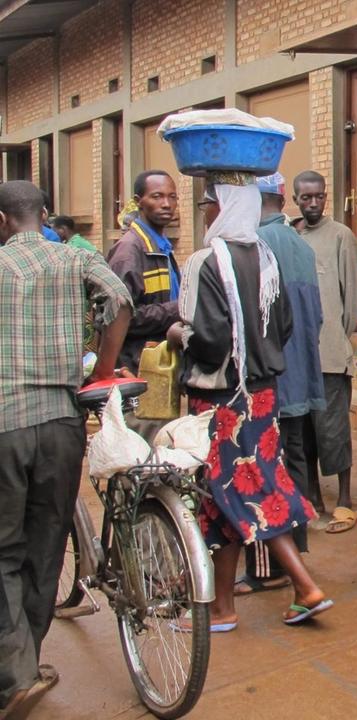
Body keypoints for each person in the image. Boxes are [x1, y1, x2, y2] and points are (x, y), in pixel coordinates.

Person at [167, 175, 331, 631]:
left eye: (206, 203)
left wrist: (179, 334)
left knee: (236, 490)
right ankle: (223, 606)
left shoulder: (205, 261)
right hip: (261, 396)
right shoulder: (266, 257)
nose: (202, 211)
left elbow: (210, 338)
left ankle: (303, 585)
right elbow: (283, 328)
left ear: (222, 208)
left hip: (221, 399)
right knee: (242, 491)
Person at [0, 180, 133, 718]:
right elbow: (120, 301)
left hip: (5, 423)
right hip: (62, 421)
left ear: (3, 221)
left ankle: (16, 673)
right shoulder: (74, 258)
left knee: (4, 552)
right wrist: (103, 368)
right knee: (46, 544)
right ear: (44, 215)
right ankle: (24, 665)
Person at [232, 173, 327, 597]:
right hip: (303, 373)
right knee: (297, 458)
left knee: (267, 469)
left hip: (272, 378)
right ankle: (299, 553)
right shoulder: (301, 246)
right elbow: (317, 317)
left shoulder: (254, 247)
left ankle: (270, 568)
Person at [292, 170, 357, 533]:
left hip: (331, 351)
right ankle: (312, 496)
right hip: (297, 356)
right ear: (296, 200)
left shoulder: (341, 236)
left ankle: (345, 497)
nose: (314, 203)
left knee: (333, 427)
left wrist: (338, 333)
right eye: (306, 198)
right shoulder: (291, 238)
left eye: (319, 196)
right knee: (304, 431)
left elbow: (354, 294)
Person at [107, 170, 182, 374]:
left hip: (160, 362)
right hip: (135, 365)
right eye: (157, 196)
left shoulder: (161, 246)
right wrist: (178, 309)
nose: (166, 204)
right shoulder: (129, 251)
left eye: (172, 197)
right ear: (139, 201)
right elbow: (120, 317)